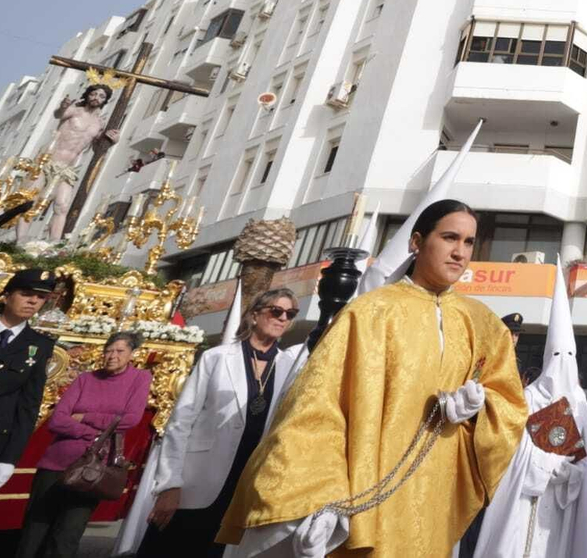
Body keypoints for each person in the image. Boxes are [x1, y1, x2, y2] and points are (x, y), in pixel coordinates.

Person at [217, 200, 528, 557]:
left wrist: (478, 408)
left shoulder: (485, 324)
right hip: (367, 489)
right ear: (416, 241)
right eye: (449, 238)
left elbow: (510, 405)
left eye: (469, 242)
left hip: (437, 495)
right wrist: (323, 491)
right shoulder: (369, 313)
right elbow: (318, 408)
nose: (460, 252)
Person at [133, 289, 307, 558]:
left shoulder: (289, 366)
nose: (283, 318)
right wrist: (169, 484)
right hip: (197, 482)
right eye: (276, 311)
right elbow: (181, 422)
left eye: (290, 314)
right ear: (255, 314)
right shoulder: (217, 357)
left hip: (245, 487)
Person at [471, 265, 587, 558]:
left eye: (569, 356)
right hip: (524, 501)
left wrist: (574, 474)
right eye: (557, 355)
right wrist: (552, 467)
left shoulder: (580, 403)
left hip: (562, 506)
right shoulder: (529, 396)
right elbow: (514, 451)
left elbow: (585, 459)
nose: (563, 362)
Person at [15, 330, 151, 557]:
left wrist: (84, 416)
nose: (112, 356)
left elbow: (130, 419)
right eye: (108, 351)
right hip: (57, 462)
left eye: (119, 351)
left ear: (131, 354)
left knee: (68, 534)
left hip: (93, 468)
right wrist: (92, 433)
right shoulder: (85, 379)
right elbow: (58, 419)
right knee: (35, 529)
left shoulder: (140, 378)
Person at [0, 268, 58, 515]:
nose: (33, 301)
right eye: (26, 294)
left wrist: (10, 458)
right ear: (7, 295)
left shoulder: (39, 346)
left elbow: (28, 407)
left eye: (40, 297)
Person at [30, 84, 119, 241]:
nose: (96, 98)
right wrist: (62, 106)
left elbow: (96, 148)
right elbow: (59, 114)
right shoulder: (75, 110)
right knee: (31, 201)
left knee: (62, 206)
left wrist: (111, 141)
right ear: (88, 94)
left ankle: (53, 244)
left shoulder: (100, 123)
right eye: (94, 94)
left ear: (105, 101)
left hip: (68, 168)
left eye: (101, 96)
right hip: (48, 160)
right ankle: (21, 239)